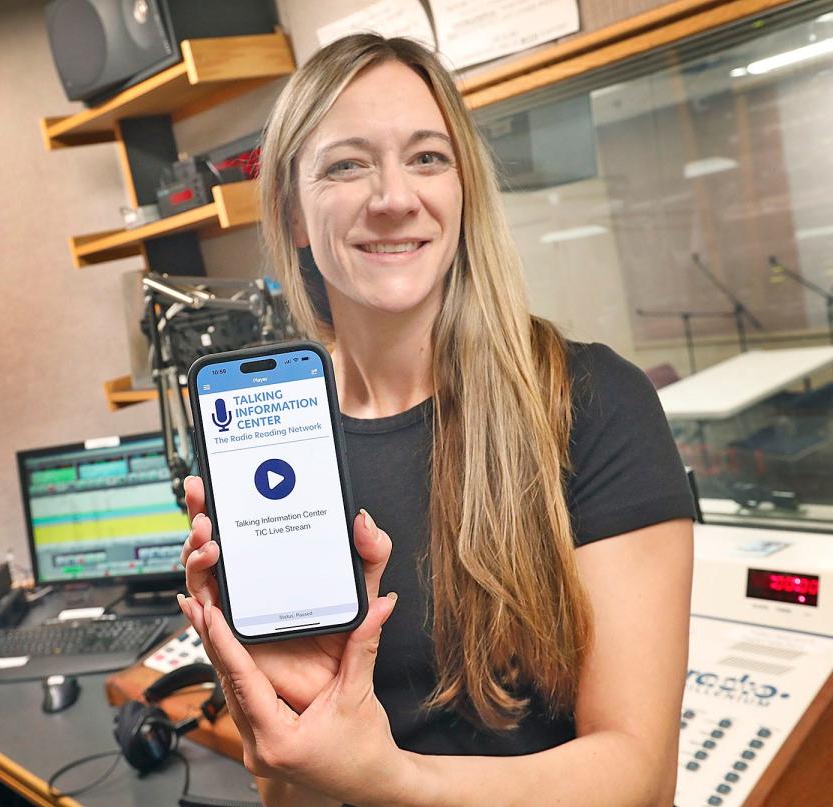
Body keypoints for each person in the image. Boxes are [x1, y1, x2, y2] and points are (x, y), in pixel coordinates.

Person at [177, 33, 695, 807]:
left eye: (427, 157)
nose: (394, 197)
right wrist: (289, 723)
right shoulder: (268, 443)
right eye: (348, 164)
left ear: (463, 191)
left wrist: (384, 774)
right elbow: (294, 788)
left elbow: (639, 777)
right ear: (291, 211)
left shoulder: (593, 402)